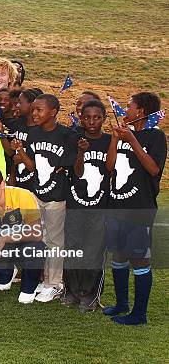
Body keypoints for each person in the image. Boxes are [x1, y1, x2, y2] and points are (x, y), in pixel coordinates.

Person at [104, 92, 166, 325]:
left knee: (139, 259)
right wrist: (114, 139)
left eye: (129, 106)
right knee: (118, 256)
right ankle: (122, 304)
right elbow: (110, 167)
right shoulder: (123, 133)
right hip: (116, 205)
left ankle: (139, 314)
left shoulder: (155, 136)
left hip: (139, 208)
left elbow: (153, 170)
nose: (125, 110)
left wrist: (132, 141)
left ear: (140, 111)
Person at [11, 94, 79, 303]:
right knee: (38, 237)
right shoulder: (33, 133)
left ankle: (54, 284)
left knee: (54, 240)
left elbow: (70, 162)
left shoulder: (67, 135)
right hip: (36, 192)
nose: (35, 113)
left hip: (56, 195)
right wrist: (20, 150)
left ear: (53, 112)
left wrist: (65, 165)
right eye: (33, 110)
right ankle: (44, 279)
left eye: (39, 110)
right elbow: (31, 167)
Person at [0, 166, 46, 304]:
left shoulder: (23, 196)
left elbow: (37, 234)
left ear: (2, 184)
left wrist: (4, 238)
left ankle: (30, 286)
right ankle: (7, 273)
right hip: (9, 243)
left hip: (31, 241)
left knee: (34, 249)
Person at [63, 100, 110, 312]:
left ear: (104, 119)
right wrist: (81, 152)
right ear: (80, 118)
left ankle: (90, 294)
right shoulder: (75, 140)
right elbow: (78, 172)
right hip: (76, 203)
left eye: (97, 117)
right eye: (87, 117)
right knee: (72, 247)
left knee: (93, 250)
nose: (92, 121)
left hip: (99, 205)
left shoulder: (110, 141)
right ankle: (72, 291)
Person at [9, 88, 43, 189]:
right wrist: (12, 175)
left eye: (20, 102)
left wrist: (22, 157)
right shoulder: (18, 124)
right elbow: (13, 155)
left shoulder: (41, 130)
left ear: (31, 104)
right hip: (19, 180)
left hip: (35, 184)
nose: (17, 105)